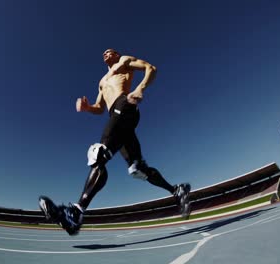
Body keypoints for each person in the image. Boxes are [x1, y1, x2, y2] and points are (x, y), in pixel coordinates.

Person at [42, 49, 190, 235]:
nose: (106, 53)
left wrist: (139, 88)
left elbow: (150, 68)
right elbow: (100, 107)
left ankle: (76, 213)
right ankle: (177, 190)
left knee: (100, 154)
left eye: (110, 51)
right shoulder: (101, 82)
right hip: (115, 113)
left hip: (125, 104)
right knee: (138, 170)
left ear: (116, 54)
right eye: (103, 53)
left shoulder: (124, 61)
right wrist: (88, 108)